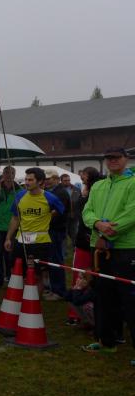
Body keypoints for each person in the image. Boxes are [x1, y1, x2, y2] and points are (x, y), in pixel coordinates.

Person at [81, 147, 135, 361]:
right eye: (108, 158)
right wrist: (97, 224)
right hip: (99, 247)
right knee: (103, 296)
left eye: (116, 157)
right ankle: (107, 341)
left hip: (125, 248)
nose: (112, 161)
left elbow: (131, 213)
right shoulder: (99, 185)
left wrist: (107, 233)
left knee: (130, 299)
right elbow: (87, 211)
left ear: (126, 159)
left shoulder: (132, 182)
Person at [4, 167, 65, 295]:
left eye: (30, 180)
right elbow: (15, 218)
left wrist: (47, 216)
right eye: (26, 179)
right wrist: (8, 238)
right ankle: (20, 298)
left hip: (40, 242)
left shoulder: (50, 197)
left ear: (40, 181)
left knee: (37, 274)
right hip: (20, 240)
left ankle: (34, 301)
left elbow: (62, 211)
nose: (26, 182)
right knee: (17, 271)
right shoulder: (20, 195)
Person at [68, 167, 102, 325]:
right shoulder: (85, 190)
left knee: (91, 277)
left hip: (94, 239)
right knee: (81, 276)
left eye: (84, 175)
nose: (81, 177)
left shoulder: (96, 190)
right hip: (85, 239)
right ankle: (78, 312)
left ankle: (89, 314)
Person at [43, 169, 72, 300]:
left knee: (56, 260)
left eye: (49, 179)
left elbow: (58, 212)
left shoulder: (60, 193)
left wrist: (41, 219)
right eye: (45, 179)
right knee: (51, 260)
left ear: (56, 179)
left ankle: (59, 291)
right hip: (51, 229)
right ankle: (53, 288)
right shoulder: (52, 191)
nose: (46, 181)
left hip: (56, 230)